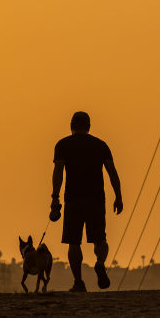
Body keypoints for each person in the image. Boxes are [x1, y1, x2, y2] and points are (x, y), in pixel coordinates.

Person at [50, 111, 123, 292]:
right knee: (100, 238)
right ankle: (100, 263)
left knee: (73, 242)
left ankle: (78, 282)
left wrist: (55, 197)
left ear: (71, 125)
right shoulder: (100, 145)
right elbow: (112, 172)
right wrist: (118, 196)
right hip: (96, 199)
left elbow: (58, 172)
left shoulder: (63, 145)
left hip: (73, 199)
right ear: (89, 126)